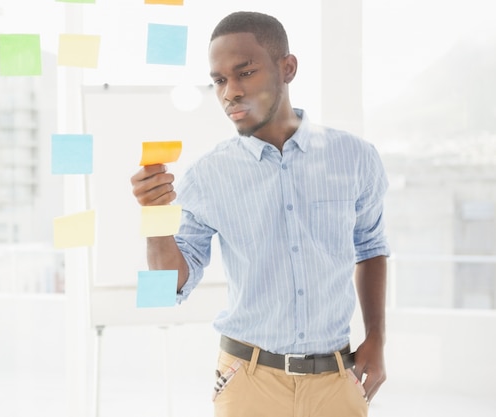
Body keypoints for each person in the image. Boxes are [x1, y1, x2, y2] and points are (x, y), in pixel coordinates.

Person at [131, 11, 390, 417]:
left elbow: (371, 246)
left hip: (338, 379)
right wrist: (155, 217)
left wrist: (376, 337)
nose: (230, 92)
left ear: (287, 68)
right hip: (247, 381)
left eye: (245, 72)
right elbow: (170, 288)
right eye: (219, 80)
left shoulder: (354, 157)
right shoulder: (207, 174)